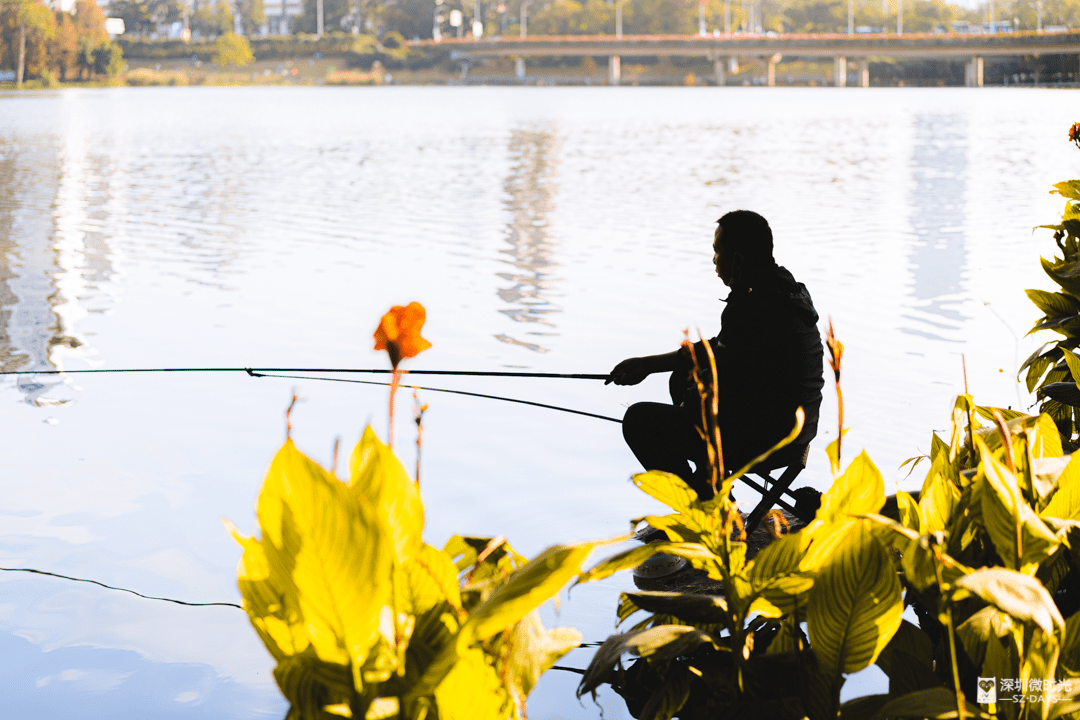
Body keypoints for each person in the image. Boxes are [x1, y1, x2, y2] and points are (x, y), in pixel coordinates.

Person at [607, 210, 824, 500]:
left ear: (737, 260)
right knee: (680, 376)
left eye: (717, 252)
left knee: (639, 421)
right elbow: (722, 351)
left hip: (771, 439)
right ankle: (713, 490)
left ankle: (706, 507)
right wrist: (649, 365)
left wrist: (689, 404)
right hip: (800, 428)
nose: (713, 261)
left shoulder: (751, 307)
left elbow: (726, 378)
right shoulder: (781, 288)